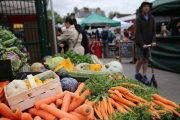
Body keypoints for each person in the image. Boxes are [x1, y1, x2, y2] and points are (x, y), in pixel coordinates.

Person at [134, 1, 156, 83]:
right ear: (142, 8)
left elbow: (154, 31)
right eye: (145, 6)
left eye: (148, 6)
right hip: (140, 43)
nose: (147, 8)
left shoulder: (152, 18)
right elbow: (138, 32)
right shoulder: (139, 18)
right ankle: (136, 74)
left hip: (149, 42)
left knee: (146, 59)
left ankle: (144, 75)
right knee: (140, 59)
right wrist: (142, 44)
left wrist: (153, 41)